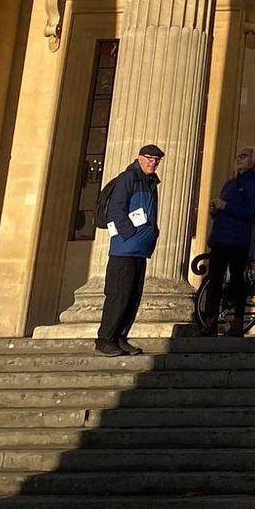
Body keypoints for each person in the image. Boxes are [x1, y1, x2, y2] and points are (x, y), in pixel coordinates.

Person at [96, 143, 163, 357]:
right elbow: (117, 208)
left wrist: (151, 234)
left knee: (132, 298)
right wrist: (129, 233)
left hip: (140, 250)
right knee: (118, 295)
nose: (153, 163)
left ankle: (120, 338)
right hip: (124, 250)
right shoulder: (129, 178)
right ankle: (105, 339)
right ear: (140, 158)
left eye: (156, 160)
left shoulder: (150, 183)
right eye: (150, 158)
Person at [203, 146, 255, 336]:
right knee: (214, 280)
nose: (238, 159)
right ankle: (210, 322)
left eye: (244, 156)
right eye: (237, 156)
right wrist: (215, 210)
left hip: (238, 239)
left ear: (253, 159)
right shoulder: (230, 183)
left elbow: (251, 211)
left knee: (238, 281)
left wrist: (225, 206)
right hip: (220, 238)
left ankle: (238, 322)